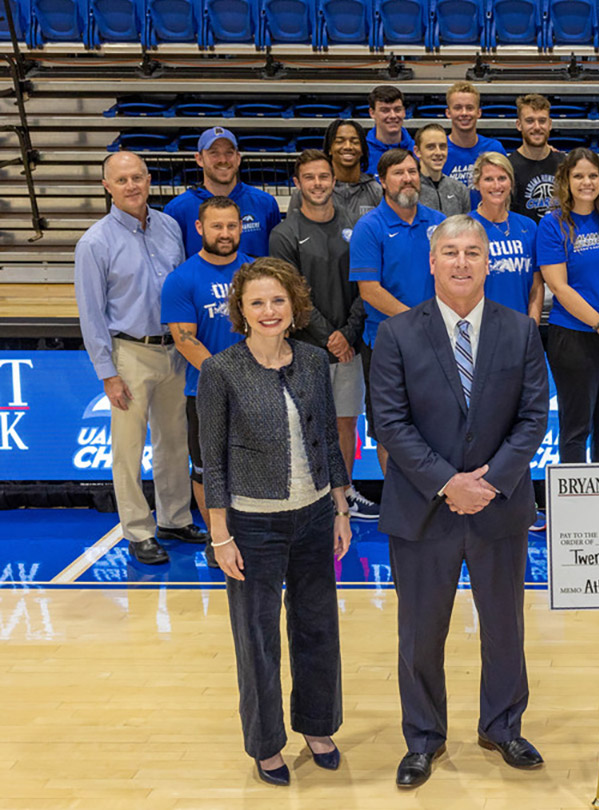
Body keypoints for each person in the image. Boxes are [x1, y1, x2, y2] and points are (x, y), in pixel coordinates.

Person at [370, 215, 549, 788]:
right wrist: (450, 483)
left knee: (505, 629)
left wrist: (490, 481)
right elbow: (390, 424)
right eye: (451, 251)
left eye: (474, 251)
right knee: (421, 634)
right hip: (424, 509)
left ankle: (502, 726)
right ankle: (423, 738)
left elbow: (532, 418)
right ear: (432, 261)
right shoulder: (396, 333)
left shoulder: (520, 330)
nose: (462, 262)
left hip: (499, 507)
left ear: (489, 262)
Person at [199, 257, 351, 787]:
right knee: (257, 638)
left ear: (294, 307)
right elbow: (211, 461)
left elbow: (329, 441)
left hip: (313, 517)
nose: (269, 310)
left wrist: (339, 506)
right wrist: (220, 535)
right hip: (252, 526)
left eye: (278, 301)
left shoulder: (311, 361)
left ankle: (317, 724)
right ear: (240, 309)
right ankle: (266, 744)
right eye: (257, 301)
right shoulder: (220, 370)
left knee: (317, 628)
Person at [74, 151, 203, 566]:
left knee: (174, 441)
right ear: (106, 187)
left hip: (173, 349)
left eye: (138, 178)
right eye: (122, 180)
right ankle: (138, 530)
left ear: (149, 180)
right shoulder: (94, 242)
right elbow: (91, 313)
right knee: (128, 449)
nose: (132, 186)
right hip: (128, 351)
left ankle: (174, 518)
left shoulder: (168, 226)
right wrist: (107, 374)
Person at [269, 149, 377, 521]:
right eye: (310, 178)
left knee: (346, 421)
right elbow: (291, 293)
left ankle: (343, 495)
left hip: (348, 345)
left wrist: (347, 333)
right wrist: (329, 335)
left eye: (324, 177)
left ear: (334, 181)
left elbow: (367, 283)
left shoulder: (356, 226)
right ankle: (310, 494)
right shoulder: (285, 233)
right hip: (303, 348)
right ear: (297, 184)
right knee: (306, 422)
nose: (318, 184)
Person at [162, 196, 254, 565]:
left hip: (257, 390)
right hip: (205, 391)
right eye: (217, 226)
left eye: (232, 225)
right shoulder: (182, 279)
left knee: (253, 467)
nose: (226, 233)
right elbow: (185, 339)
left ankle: (251, 534)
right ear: (199, 228)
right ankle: (218, 538)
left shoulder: (256, 273)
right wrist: (227, 375)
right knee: (207, 469)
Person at [350, 149, 449, 477]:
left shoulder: (438, 223)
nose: (408, 178)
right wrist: (418, 321)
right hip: (387, 343)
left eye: (412, 171)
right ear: (382, 181)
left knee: (436, 422)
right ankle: (398, 499)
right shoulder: (369, 227)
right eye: (398, 173)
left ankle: (434, 496)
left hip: (438, 341)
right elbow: (370, 290)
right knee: (390, 426)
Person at [537, 148, 599, 464]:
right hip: (574, 335)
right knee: (576, 426)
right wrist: (598, 323)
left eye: (593, 175)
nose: (586, 182)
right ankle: (575, 505)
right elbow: (559, 287)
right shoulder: (552, 225)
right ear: (566, 180)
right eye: (578, 176)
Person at [164, 127, 280, 258]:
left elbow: (276, 261)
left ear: (238, 158)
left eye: (229, 153)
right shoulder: (177, 210)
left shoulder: (265, 203)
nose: (223, 160)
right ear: (199, 159)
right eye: (214, 153)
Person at [470, 152, 543, 323]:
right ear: (477, 184)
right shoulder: (465, 227)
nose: (496, 185)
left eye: (502, 178)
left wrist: (532, 324)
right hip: (479, 331)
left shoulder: (528, 226)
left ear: (511, 183)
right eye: (488, 179)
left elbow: (536, 285)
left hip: (520, 328)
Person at [441, 80, 506, 199]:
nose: (464, 113)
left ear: (479, 112)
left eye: (470, 108)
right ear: (448, 113)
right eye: (458, 108)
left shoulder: (494, 149)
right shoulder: (438, 151)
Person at [509, 94, 566, 221]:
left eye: (542, 121)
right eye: (530, 121)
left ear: (550, 124)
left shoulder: (564, 163)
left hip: (559, 238)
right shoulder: (509, 167)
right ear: (519, 125)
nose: (537, 127)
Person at [321, 119, 384, 218]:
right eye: (340, 141)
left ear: (362, 149)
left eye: (355, 142)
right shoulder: (317, 189)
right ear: (329, 149)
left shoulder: (376, 190)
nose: (348, 146)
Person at [413, 124, 472, 216]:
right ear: (417, 151)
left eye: (442, 146)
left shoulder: (459, 189)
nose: (438, 152)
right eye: (431, 147)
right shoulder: (410, 189)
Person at [365, 85, 414, 175]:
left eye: (397, 110)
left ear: (404, 112)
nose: (393, 116)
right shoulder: (362, 152)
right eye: (385, 110)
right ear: (372, 113)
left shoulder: (417, 151)